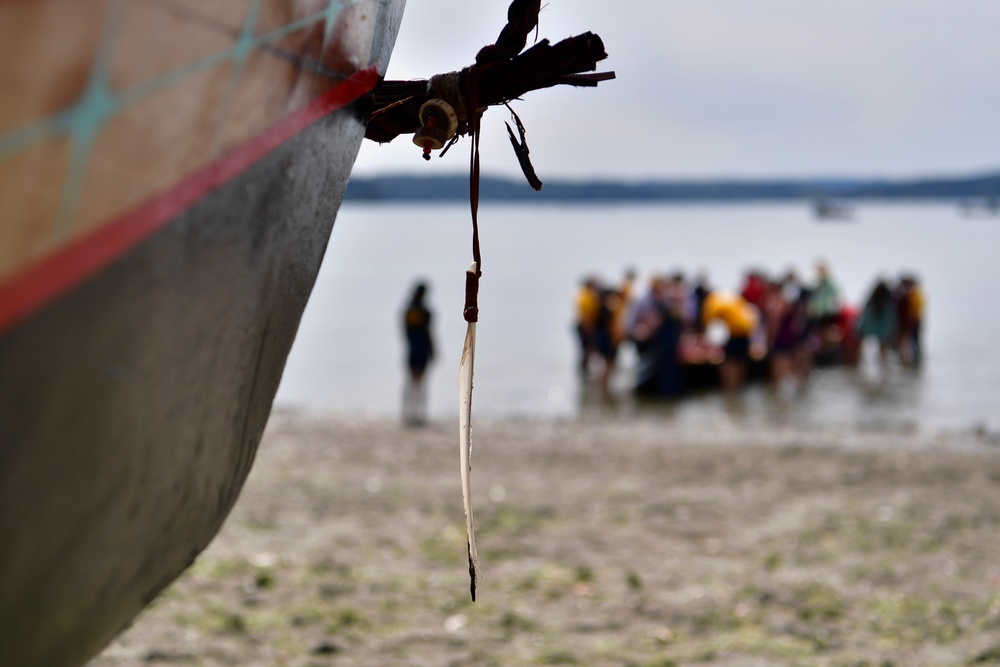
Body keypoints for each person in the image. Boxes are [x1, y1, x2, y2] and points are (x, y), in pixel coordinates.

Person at [700, 291, 760, 393]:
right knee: (740, 361)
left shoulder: (712, 303)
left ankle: (731, 388)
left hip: (734, 335)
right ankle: (740, 387)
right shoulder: (731, 301)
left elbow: (708, 323)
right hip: (744, 334)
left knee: (728, 362)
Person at [402, 281, 435, 425]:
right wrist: (433, 349)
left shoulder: (409, 310)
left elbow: (406, 332)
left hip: (412, 348)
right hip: (421, 349)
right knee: (420, 383)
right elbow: (428, 332)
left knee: (411, 382)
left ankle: (409, 414)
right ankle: (418, 415)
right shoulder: (424, 312)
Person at [855, 279, 897, 364]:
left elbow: (865, 315)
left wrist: (861, 327)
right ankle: (883, 364)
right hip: (883, 329)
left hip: (870, 327)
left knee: (861, 347)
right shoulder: (887, 302)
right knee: (883, 349)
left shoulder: (872, 300)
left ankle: (859, 362)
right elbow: (890, 318)